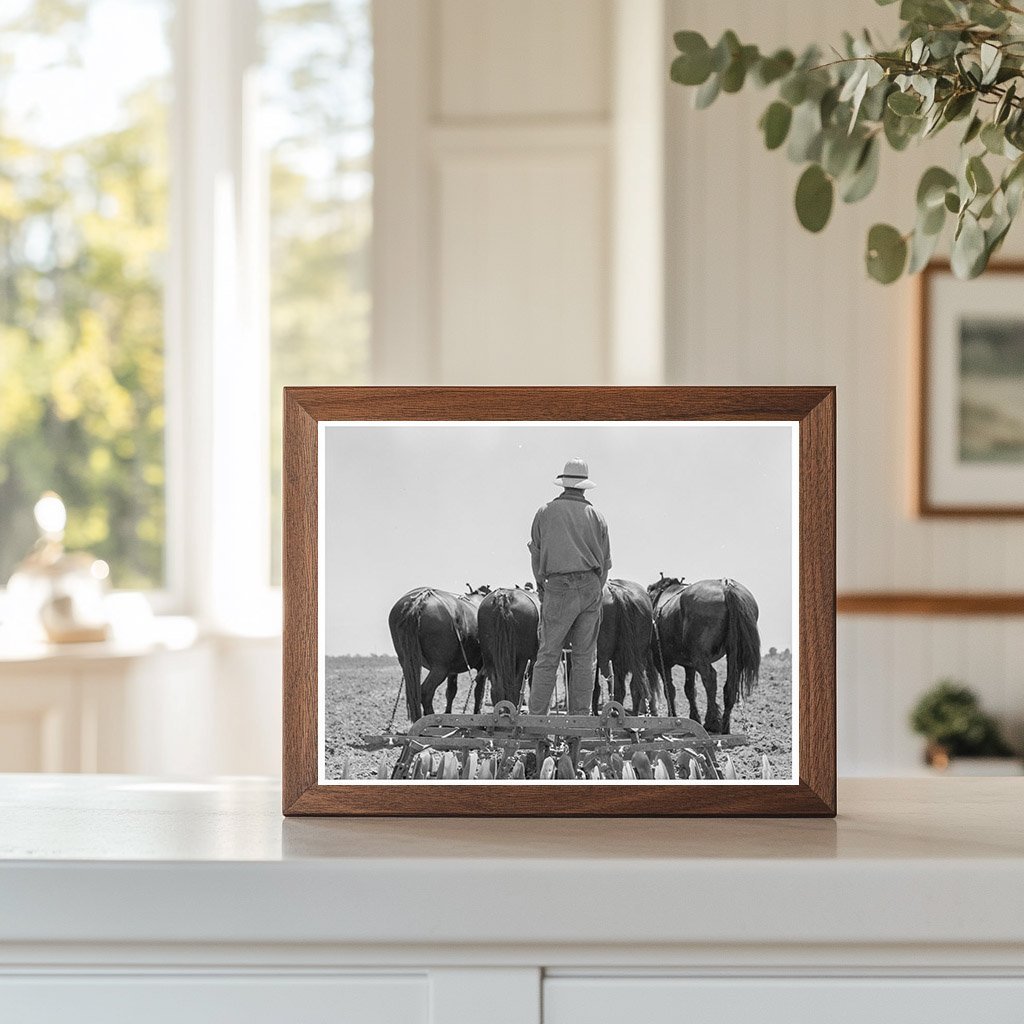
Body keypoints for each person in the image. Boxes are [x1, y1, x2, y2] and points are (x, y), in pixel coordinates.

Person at [527, 458, 612, 715]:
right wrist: (595, 588)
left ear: (563, 483)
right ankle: (579, 720)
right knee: (585, 659)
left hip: (558, 586)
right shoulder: (597, 516)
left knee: (548, 656)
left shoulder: (545, 512)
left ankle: (537, 720)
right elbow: (606, 564)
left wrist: (542, 586)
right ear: (585, 487)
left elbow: (536, 555)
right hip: (590, 586)